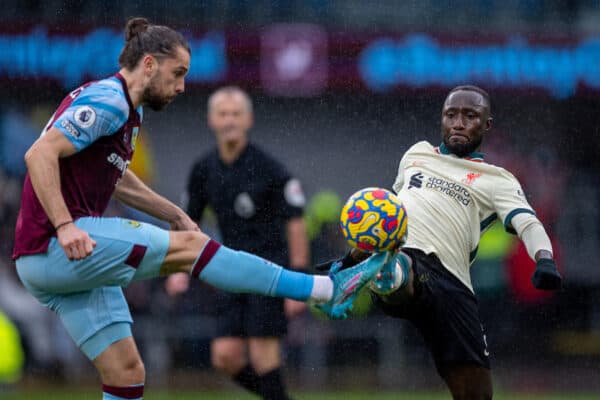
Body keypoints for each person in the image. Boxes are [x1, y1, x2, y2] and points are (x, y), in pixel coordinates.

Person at [11, 18, 382, 400]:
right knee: (191, 250)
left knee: (125, 372)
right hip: (56, 247)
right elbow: (40, 153)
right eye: (178, 74)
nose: (182, 86)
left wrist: (174, 215)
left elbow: (118, 178)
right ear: (150, 64)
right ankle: (326, 288)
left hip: (52, 263)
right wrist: (65, 225)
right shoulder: (110, 100)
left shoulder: (129, 112)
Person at [319, 85, 562, 400]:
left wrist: (544, 259)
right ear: (442, 120)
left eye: (470, 116)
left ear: (486, 124)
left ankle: (387, 273)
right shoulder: (416, 154)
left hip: (452, 284)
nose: (458, 123)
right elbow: (386, 217)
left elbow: (527, 222)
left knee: (475, 394)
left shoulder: (497, 178)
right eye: (451, 115)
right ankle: (386, 273)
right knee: (402, 263)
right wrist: (349, 260)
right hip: (408, 256)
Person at [168, 86, 308, 400]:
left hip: (269, 273)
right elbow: (186, 221)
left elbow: (296, 223)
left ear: (249, 120)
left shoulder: (270, 169)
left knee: (262, 356)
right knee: (225, 356)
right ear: (211, 120)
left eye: (236, 114)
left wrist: (298, 280)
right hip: (229, 273)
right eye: (223, 114)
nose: (229, 120)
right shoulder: (203, 169)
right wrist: (177, 269)